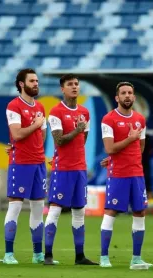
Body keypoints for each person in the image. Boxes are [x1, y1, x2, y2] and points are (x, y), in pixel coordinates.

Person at [44, 74, 97, 265]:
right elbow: (59, 140)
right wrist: (76, 130)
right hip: (63, 168)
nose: (74, 87)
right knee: (55, 210)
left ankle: (80, 256)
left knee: (79, 211)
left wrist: (78, 131)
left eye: (76, 84)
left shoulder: (85, 112)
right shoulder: (56, 111)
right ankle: (48, 254)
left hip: (79, 169)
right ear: (62, 89)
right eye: (70, 84)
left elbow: (83, 139)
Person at [99, 82, 151, 269]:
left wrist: (128, 150)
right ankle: (104, 257)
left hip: (136, 173)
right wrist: (129, 140)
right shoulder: (109, 119)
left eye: (130, 93)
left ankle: (136, 258)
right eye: (123, 93)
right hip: (118, 174)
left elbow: (141, 147)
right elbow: (109, 148)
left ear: (134, 97)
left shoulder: (140, 119)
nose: (127, 96)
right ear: (117, 98)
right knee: (111, 212)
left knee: (140, 212)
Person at [3, 68, 47, 265]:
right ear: (22, 84)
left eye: (37, 81)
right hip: (20, 163)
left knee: (38, 208)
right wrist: (36, 125)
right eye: (32, 81)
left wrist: (38, 129)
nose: (36, 84)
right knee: (15, 207)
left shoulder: (40, 107)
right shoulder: (14, 106)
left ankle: (38, 254)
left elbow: (43, 135)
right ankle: (8, 254)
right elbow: (18, 134)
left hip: (38, 163)